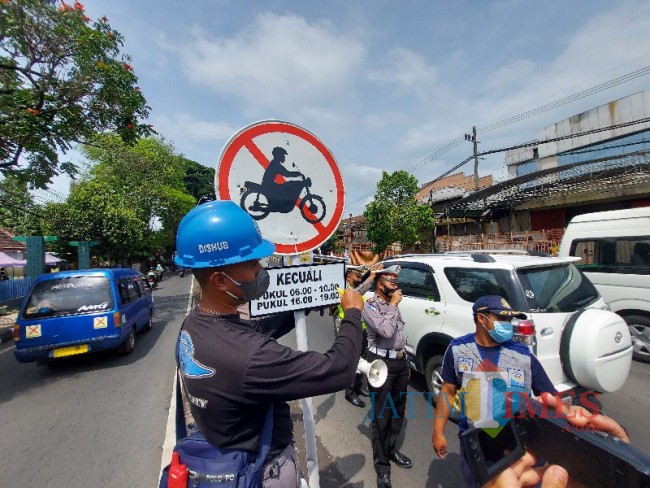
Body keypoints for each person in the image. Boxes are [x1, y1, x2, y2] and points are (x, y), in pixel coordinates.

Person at [173, 200, 365, 488]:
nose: (260, 270)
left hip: (222, 454)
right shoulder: (250, 356)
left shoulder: (194, 326)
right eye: (252, 264)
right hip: (262, 471)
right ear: (219, 280)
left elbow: (253, 330)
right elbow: (339, 369)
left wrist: (302, 304)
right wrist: (352, 313)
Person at [431, 294, 622, 487]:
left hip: (520, 447)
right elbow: (447, 391)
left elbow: (549, 397)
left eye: (509, 319)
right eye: (502, 318)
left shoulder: (522, 355)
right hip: (478, 446)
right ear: (481, 318)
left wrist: (576, 427)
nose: (508, 324)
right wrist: (438, 432)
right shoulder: (458, 350)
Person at [362, 265, 412, 488]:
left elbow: (399, 335)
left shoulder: (393, 304)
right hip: (381, 364)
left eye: (396, 282)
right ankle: (382, 467)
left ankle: (391, 451)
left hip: (400, 362)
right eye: (392, 283)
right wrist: (392, 306)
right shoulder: (369, 305)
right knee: (382, 415)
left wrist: (406, 362)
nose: (396, 286)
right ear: (380, 284)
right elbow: (386, 331)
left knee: (398, 411)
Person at [337, 264, 383, 408]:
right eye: (357, 276)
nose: (359, 278)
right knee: (353, 360)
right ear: (349, 276)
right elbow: (358, 292)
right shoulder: (342, 289)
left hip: (361, 329)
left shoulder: (352, 289)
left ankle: (358, 386)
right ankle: (350, 392)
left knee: (363, 358)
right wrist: (371, 277)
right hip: (349, 330)